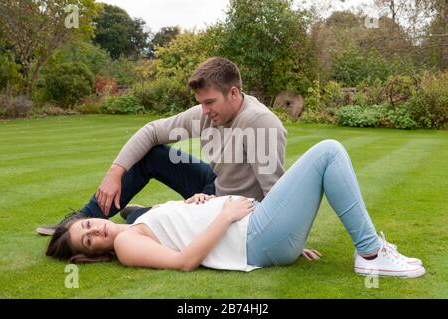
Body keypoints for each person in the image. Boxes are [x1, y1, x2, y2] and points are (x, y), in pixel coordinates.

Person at [46, 140, 425, 278]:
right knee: (327, 153)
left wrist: (200, 203)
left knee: (326, 157)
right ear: (92, 254)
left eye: (90, 225)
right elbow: (184, 261)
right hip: (252, 235)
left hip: (260, 229)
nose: (97, 232)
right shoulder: (127, 247)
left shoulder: (134, 223)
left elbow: (178, 230)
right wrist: (225, 215)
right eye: (90, 240)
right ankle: (372, 253)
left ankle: (369, 250)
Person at [37, 57, 287, 235]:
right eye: (201, 103)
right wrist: (115, 171)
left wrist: (285, 239)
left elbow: (275, 191)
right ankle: (84, 218)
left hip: (231, 205)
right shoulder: (205, 113)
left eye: (210, 102)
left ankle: (141, 214)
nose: (204, 111)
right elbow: (153, 131)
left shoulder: (259, 123)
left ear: (233, 93)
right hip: (214, 183)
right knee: (152, 154)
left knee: (164, 223)